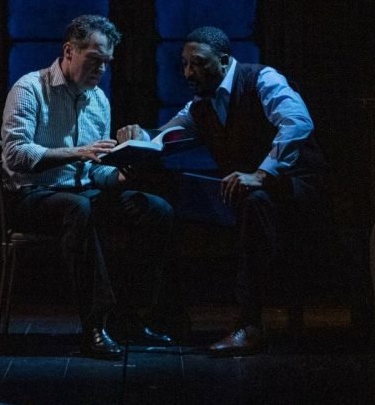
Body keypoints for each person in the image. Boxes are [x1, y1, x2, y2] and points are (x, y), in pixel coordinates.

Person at [119, 26, 326, 356]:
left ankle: (249, 324)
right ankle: (170, 315)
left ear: (224, 60)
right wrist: (137, 136)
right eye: (185, 64)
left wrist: (261, 173)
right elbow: (163, 140)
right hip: (245, 195)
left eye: (198, 63)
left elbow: (298, 123)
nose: (189, 72)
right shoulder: (200, 106)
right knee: (165, 206)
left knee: (256, 201)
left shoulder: (262, 79)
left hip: (296, 187)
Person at [0, 14, 175, 359]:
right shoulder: (29, 89)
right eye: (94, 60)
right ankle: (95, 324)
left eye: (106, 63)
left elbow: (94, 172)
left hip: (80, 193)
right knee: (78, 209)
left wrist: (120, 176)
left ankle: (131, 316)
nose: (101, 70)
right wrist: (76, 152)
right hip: (32, 197)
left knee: (153, 208)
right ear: (69, 51)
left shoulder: (98, 101)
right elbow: (16, 154)